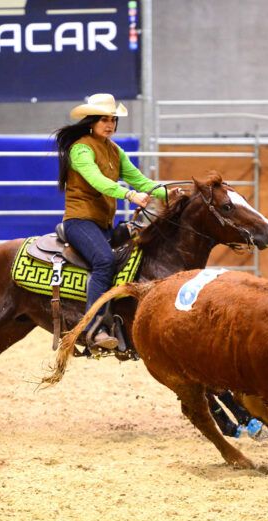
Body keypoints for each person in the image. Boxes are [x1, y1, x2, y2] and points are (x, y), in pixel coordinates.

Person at [56, 93, 166, 349]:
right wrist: (128, 194)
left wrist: (173, 193)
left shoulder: (115, 151)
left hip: (102, 224)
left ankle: (123, 322)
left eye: (113, 120)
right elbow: (98, 181)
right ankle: (93, 328)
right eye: (104, 119)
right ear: (91, 121)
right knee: (104, 261)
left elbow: (142, 182)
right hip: (79, 221)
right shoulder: (80, 148)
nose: (110, 125)